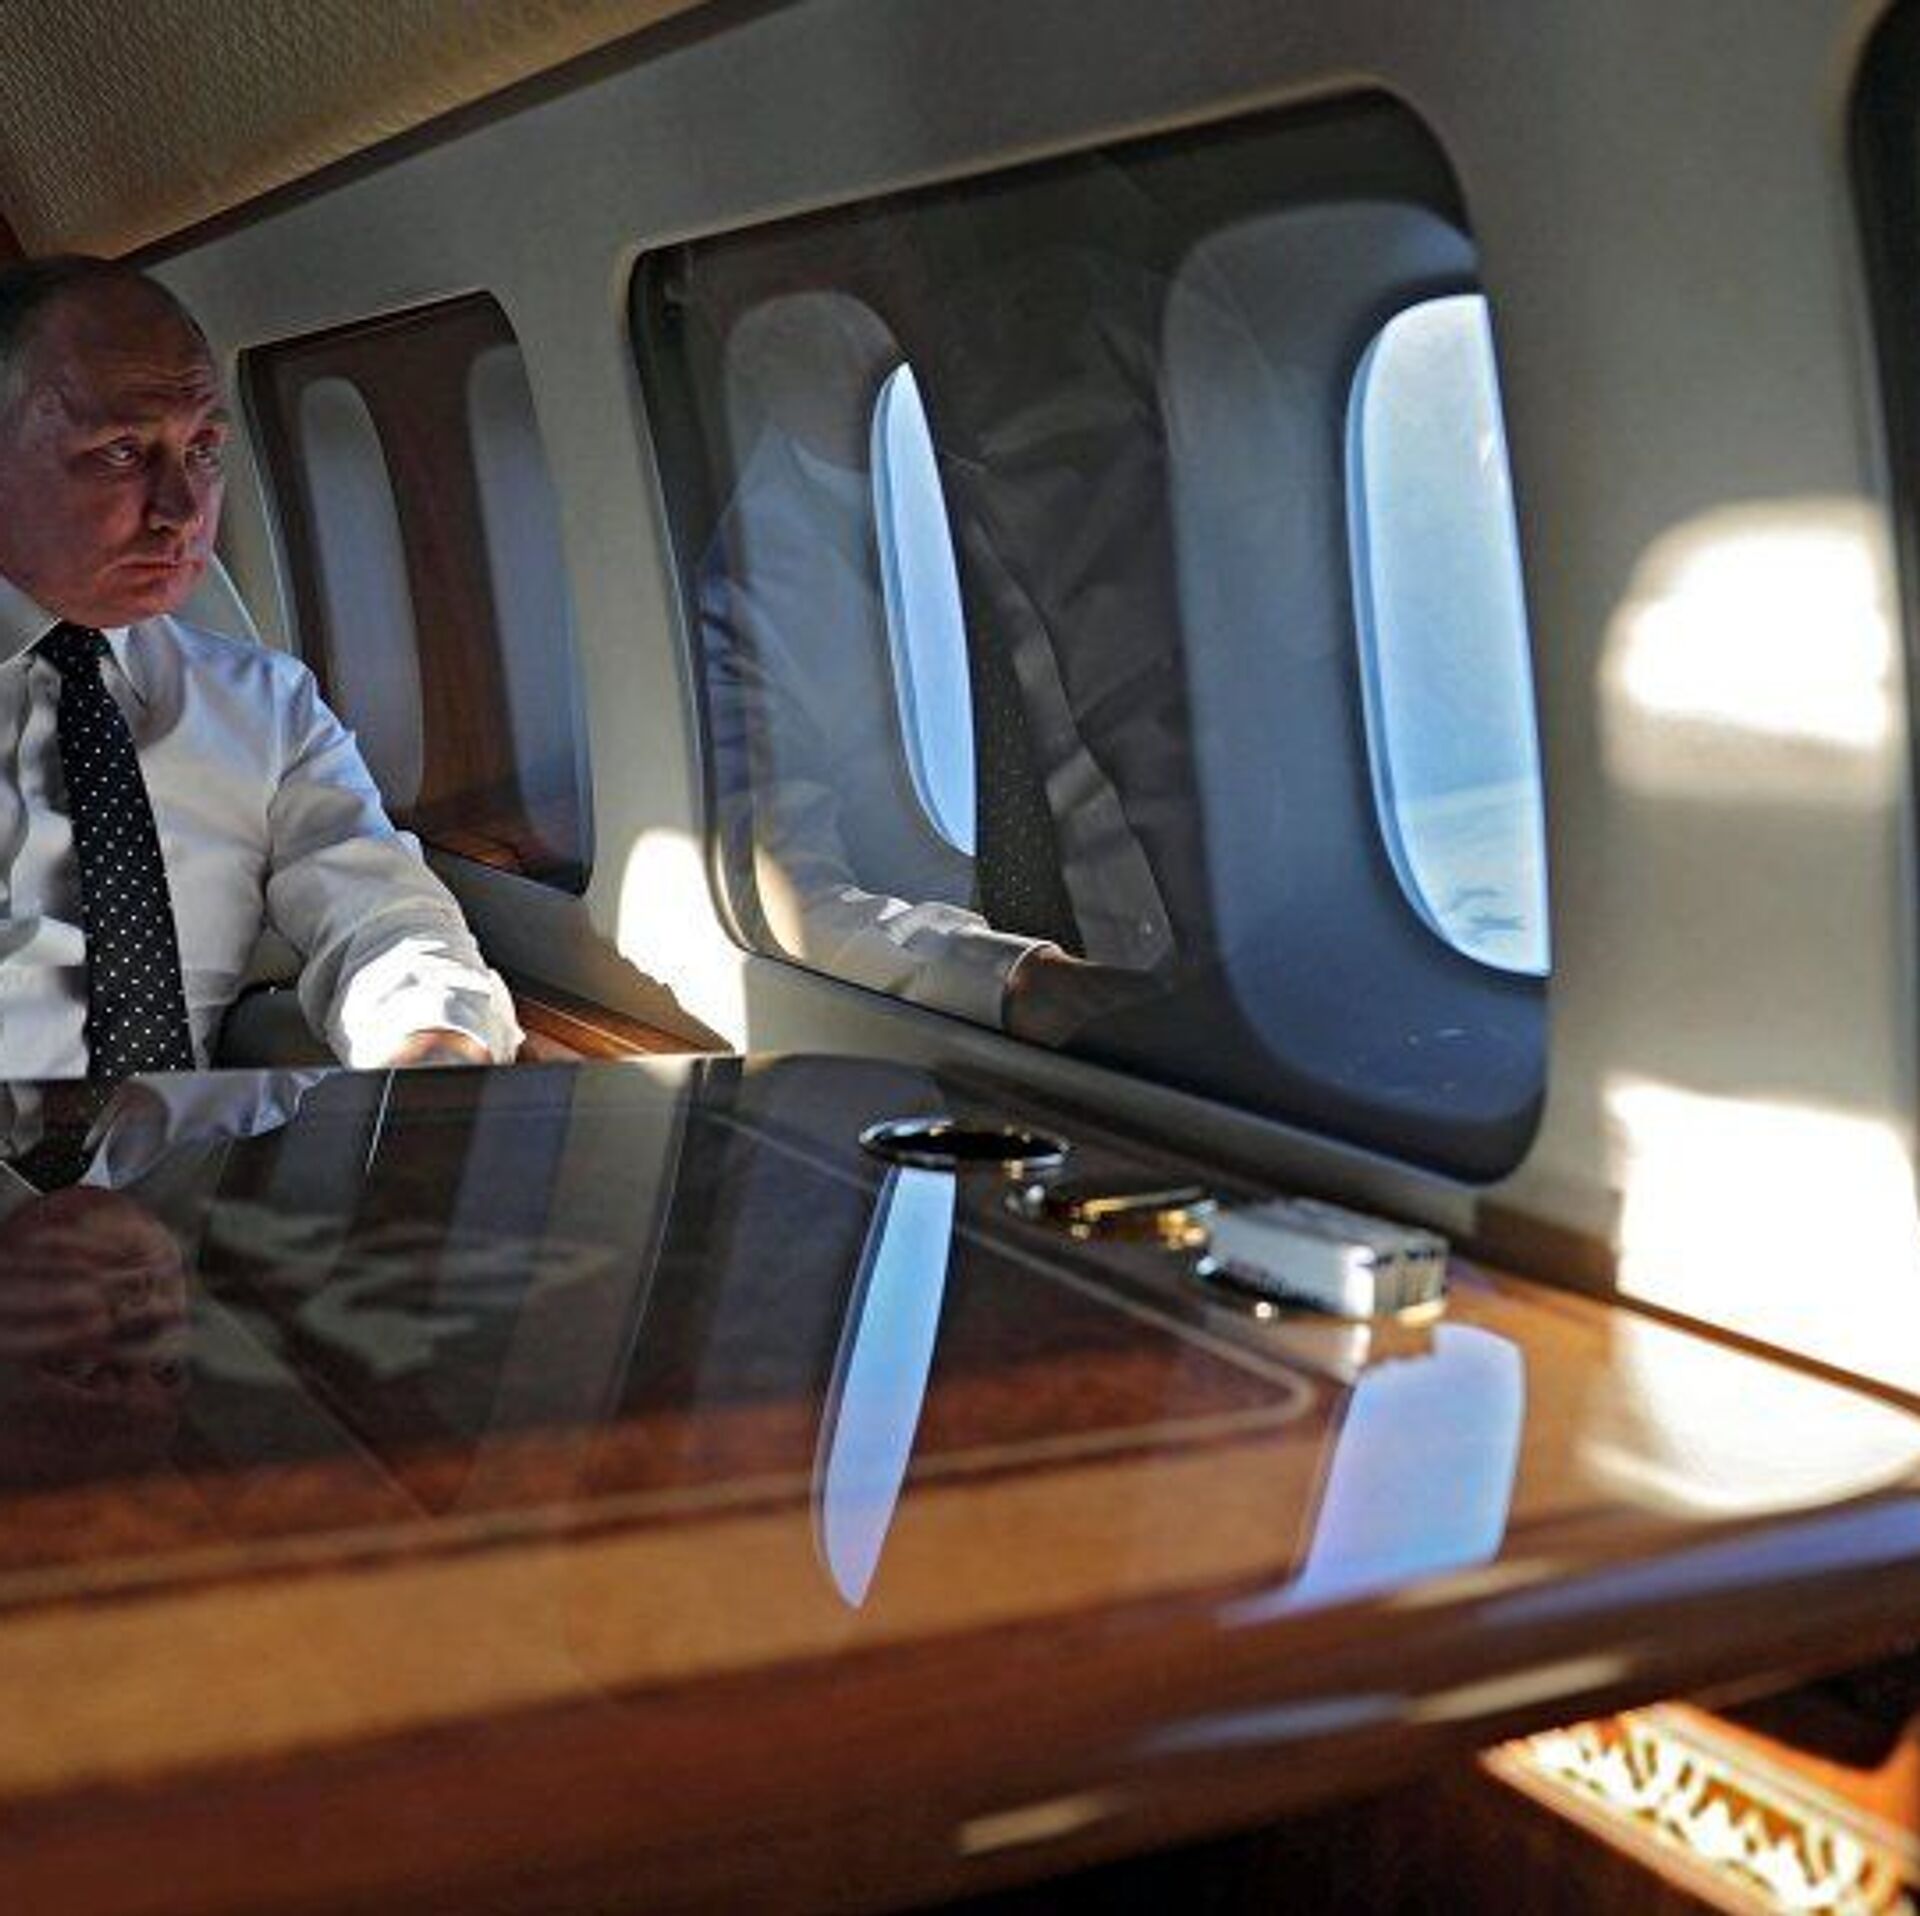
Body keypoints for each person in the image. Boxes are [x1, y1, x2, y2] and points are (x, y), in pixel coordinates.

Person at [0, 256, 521, 1077]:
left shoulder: (266, 705)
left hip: (183, 1151)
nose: (182, 512)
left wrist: (431, 1053)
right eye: (123, 452)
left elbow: (383, 919)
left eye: (203, 449)